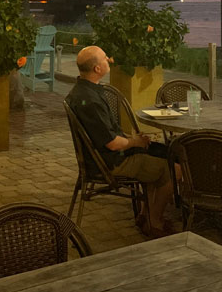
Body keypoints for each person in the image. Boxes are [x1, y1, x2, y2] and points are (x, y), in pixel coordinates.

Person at [66, 45, 177, 238]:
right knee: (174, 168)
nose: (109, 59)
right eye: (104, 58)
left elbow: (106, 135)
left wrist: (134, 140)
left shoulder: (83, 92)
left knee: (160, 151)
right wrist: (135, 142)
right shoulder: (90, 100)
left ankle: (144, 215)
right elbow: (112, 143)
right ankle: (155, 221)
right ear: (97, 69)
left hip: (105, 156)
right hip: (111, 162)